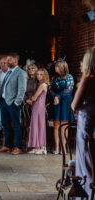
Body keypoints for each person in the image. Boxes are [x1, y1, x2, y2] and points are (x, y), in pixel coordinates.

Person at [71, 47, 95, 200]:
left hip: (87, 123)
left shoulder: (88, 79)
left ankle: (88, 193)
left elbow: (75, 105)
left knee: (86, 160)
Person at [0, 53, 27, 155]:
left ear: (16, 61)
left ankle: (18, 147)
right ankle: (7, 145)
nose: (7, 62)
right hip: (4, 102)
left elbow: (22, 89)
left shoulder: (21, 72)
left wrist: (17, 102)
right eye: (7, 60)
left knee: (16, 125)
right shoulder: (9, 72)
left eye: (9, 60)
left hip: (13, 103)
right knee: (5, 125)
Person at [50, 61, 74, 154]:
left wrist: (58, 96)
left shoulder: (69, 77)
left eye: (57, 66)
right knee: (56, 125)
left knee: (64, 125)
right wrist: (55, 96)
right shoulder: (55, 78)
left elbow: (68, 90)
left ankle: (63, 147)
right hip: (56, 102)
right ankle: (56, 147)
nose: (55, 68)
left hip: (65, 102)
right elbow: (50, 89)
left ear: (62, 67)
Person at [27, 68, 50, 154]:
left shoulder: (43, 85)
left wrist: (28, 100)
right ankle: (36, 147)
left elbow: (35, 97)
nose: (38, 76)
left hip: (39, 106)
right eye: (38, 74)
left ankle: (43, 147)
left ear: (45, 76)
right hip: (36, 106)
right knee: (35, 125)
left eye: (41, 74)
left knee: (40, 125)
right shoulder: (39, 84)